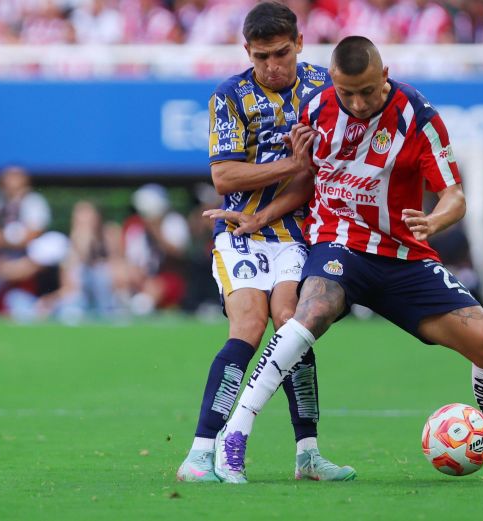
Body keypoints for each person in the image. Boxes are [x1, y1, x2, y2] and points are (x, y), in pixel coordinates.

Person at [210, 36, 483, 484]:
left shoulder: (419, 117)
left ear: (385, 75)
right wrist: (259, 216)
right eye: (347, 93)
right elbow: (306, 180)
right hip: (339, 242)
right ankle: (236, 434)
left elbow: (454, 196)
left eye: (367, 91)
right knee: (310, 312)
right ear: (334, 83)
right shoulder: (316, 109)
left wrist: (435, 222)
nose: (357, 103)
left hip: (403, 255)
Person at [176, 2, 353, 483]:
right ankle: (199, 452)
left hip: (294, 228)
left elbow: (316, 173)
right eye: (260, 57)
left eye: (280, 54)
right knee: (250, 326)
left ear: (299, 43)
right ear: (246, 52)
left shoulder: (324, 88)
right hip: (237, 230)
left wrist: (270, 209)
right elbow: (223, 175)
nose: (271, 66)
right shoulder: (229, 95)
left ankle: (308, 453)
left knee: (293, 322)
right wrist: (292, 166)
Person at [122, 183, 189, 316]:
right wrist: (135, 273)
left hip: (169, 277)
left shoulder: (174, 221)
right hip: (143, 276)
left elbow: (179, 254)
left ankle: (142, 305)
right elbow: (131, 258)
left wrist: (156, 231)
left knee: (156, 287)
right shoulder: (134, 225)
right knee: (121, 273)